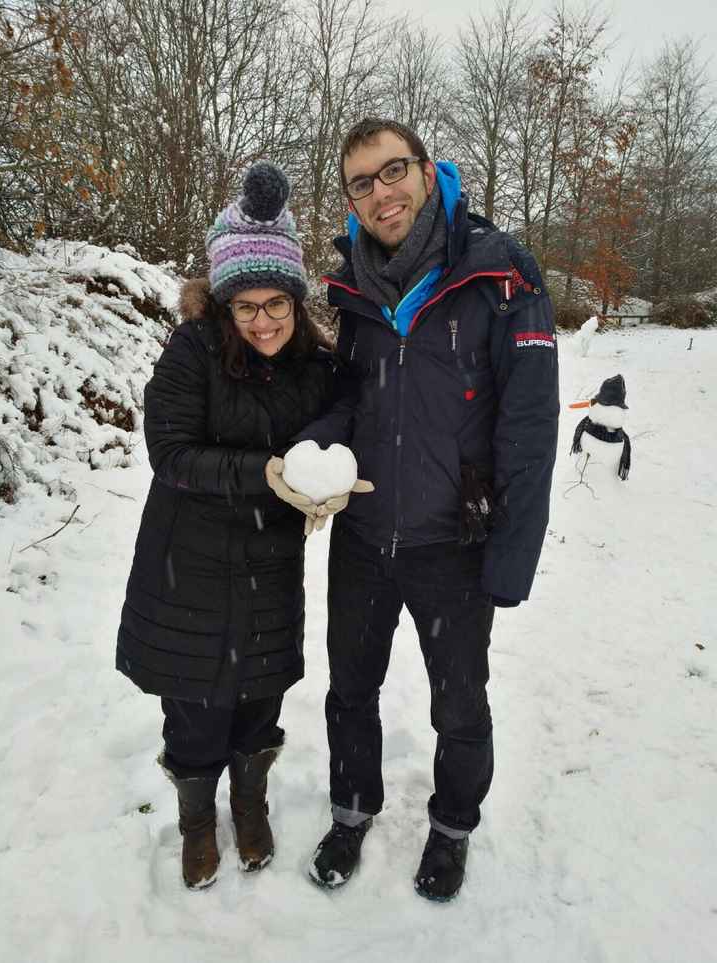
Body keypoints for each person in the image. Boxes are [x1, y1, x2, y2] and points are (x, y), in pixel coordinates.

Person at [273, 118, 560, 901]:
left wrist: (510, 555)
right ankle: (351, 809)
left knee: (460, 705)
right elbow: (347, 401)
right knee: (349, 690)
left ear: (429, 172)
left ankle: (453, 827)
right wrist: (309, 456)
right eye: (361, 183)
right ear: (351, 201)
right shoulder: (353, 289)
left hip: (455, 543)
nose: (380, 192)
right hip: (365, 536)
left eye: (392, 170)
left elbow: (531, 427)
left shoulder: (501, 275)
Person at [116, 162, 336, 889]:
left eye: (279, 302)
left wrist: (331, 478)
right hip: (192, 563)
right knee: (196, 708)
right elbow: (170, 451)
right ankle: (195, 820)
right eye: (247, 306)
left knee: (258, 699)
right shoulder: (191, 352)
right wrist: (262, 474)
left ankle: (250, 803)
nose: (266, 320)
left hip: (270, 563)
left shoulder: (313, 363)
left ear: (297, 301)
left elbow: (342, 423)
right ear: (222, 303)